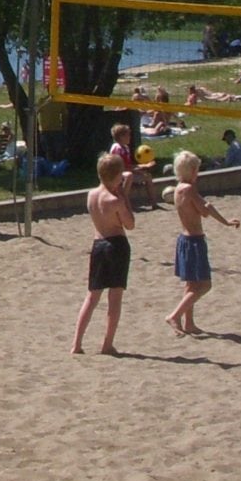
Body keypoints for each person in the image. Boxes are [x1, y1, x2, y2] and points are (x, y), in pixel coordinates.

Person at [164, 150, 240, 336]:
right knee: (204, 285)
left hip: (184, 240)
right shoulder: (189, 189)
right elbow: (205, 209)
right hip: (194, 241)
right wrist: (226, 222)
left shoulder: (178, 188)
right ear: (192, 171)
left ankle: (189, 323)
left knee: (191, 285)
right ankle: (175, 315)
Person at [71, 152, 136, 355]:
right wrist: (124, 195)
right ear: (116, 176)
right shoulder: (114, 200)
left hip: (98, 244)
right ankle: (107, 344)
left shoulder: (91, 195)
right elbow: (130, 223)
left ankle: (77, 343)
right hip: (116, 244)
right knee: (114, 298)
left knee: (92, 297)